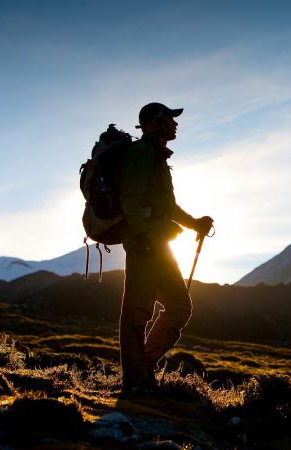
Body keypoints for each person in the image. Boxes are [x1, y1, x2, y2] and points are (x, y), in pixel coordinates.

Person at [117, 102, 213, 394]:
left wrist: (194, 223)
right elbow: (130, 199)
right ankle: (136, 381)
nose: (175, 124)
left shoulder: (156, 157)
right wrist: (142, 236)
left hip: (157, 243)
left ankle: (142, 370)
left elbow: (166, 207)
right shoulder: (143, 153)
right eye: (170, 119)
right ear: (154, 123)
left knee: (178, 307)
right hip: (147, 243)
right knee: (138, 312)